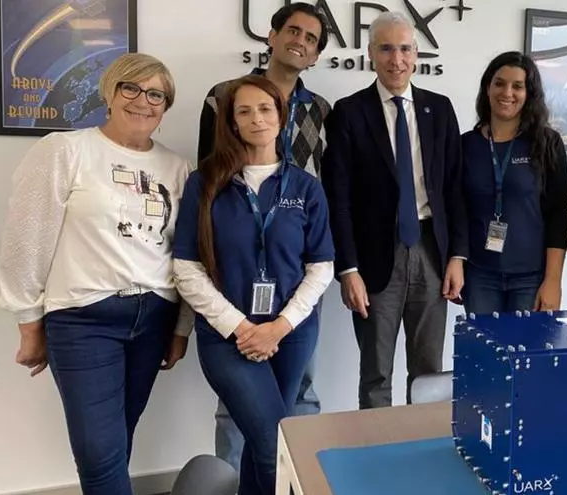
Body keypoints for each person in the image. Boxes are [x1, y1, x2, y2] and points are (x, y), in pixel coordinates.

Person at [0, 53, 192, 495]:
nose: (143, 101)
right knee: (98, 452)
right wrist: (29, 324)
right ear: (109, 92)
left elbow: (184, 256)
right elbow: (27, 239)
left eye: (156, 94)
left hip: (154, 319)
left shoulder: (177, 168)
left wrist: (181, 328)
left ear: (166, 106)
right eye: (131, 88)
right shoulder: (65, 150)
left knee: (117, 441)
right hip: (83, 320)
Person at [173, 74, 334, 495]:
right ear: (232, 122)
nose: (256, 119)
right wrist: (243, 328)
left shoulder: (306, 186)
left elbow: (321, 267)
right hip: (229, 336)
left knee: (263, 437)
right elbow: (187, 268)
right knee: (273, 442)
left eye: (265, 109)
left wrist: (278, 327)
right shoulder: (205, 183)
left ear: (281, 117)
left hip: (290, 333)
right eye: (244, 112)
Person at [196, 2, 331, 470]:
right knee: (238, 396)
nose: (300, 41)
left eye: (311, 38)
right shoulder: (223, 96)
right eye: (293, 30)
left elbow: (327, 188)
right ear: (271, 36)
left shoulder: (320, 109)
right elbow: (209, 180)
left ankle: (299, 479)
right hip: (235, 273)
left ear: (316, 54)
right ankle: (236, 479)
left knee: (302, 387)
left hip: (296, 272)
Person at [321, 11, 468, 409]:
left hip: (431, 252)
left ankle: (423, 444)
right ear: (371, 53)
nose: (396, 59)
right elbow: (338, 198)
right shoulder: (349, 112)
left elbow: (454, 189)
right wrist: (347, 269)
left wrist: (457, 256)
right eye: (386, 49)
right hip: (373, 259)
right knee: (376, 373)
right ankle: (375, 446)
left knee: (428, 372)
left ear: (416, 53)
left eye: (404, 49)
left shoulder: (439, 109)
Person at [460, 51, 567, 314]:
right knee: (484, 343)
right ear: (487, 88)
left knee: (526, 343)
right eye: (499, 83)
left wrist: (553, 281)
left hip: (531, 278)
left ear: (529, 93)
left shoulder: (547, 143)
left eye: (517, 86)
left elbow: (558, 214)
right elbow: (457, 210)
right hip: (479, 275)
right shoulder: (466, 145)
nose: (507, 93)